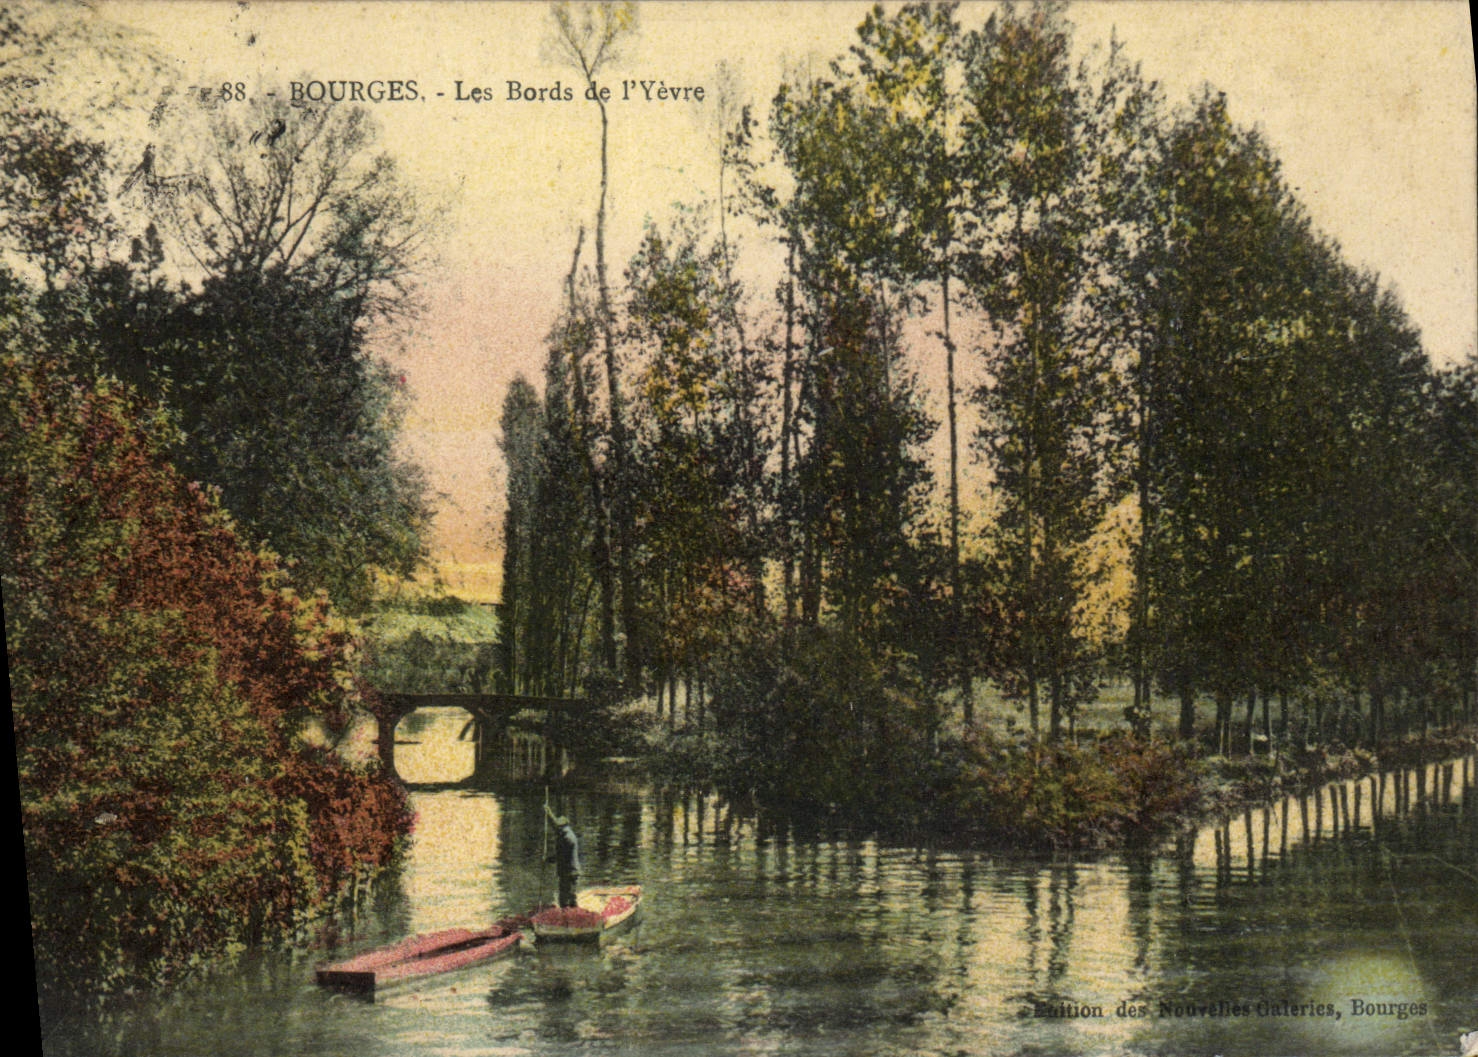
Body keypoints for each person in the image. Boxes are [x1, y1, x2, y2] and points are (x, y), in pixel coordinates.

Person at [545, 805, 581, 908]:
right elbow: (554, 824)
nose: (557, 828)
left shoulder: (568, 838)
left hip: (569, 872)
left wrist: (549, 859)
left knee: (566, 898)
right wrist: (548, 812)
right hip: (568, 871)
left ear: (563, 826)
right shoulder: (564, 832)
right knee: (569, 896)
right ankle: (570, 914)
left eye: (559, 826)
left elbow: (561, 856)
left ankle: (571, 917)